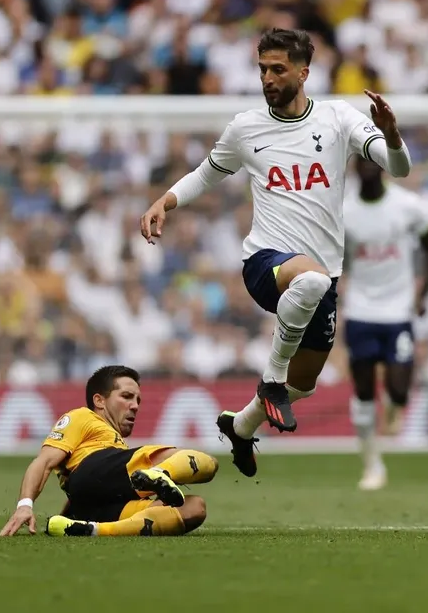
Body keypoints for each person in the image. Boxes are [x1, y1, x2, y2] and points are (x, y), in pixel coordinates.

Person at [139, 28, 412, 478]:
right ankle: (270, 381)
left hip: (323, 273)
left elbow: (399, 169)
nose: (267, 78)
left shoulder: (338, 118)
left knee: (302, 385)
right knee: (308, 285)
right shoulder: (246, 128)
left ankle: (241, 426)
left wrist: (393, 135)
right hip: (265, 262)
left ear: (304, 73)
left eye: (277, 69)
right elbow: (206, 174)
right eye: (263, 69)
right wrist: (163, 201)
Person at [0, 365, 218, 537]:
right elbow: (44, 462)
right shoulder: (81, 417)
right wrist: (24, 506)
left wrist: (68, 514)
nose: (135, 406)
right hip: (93, 470)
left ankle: (92, 530)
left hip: (95, 504)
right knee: (206, 462)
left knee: (194, 508)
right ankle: (161, 473)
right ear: (99, 401)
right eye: (126, 396)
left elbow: (87, 488)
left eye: (138, 400)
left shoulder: (116, 445)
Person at [341, 157, 428, 490]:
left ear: (383, 167)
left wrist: (423, 292)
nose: (368, 168)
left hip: (398, 311)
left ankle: (396, 405)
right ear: (354, 168)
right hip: (361, 311)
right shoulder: (344, 210)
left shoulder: (407, 206)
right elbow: (332, 257)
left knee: (398, 388)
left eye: (373, 163)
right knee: (365, 393)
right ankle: (372, 465)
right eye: (362, 163)